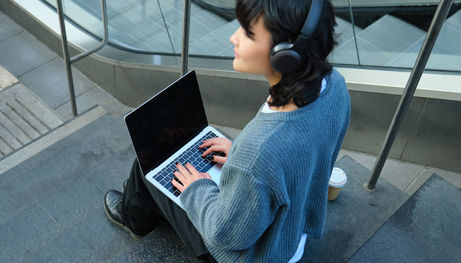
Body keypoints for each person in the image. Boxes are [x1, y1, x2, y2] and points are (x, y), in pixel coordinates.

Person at [103, 0, 350, 261]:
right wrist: (243, 162)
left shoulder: (260, 150)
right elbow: (300, 159)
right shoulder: (334, 87)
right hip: (293, 232)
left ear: (285, 55)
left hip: (257, 254)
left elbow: (226, 234)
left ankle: (134, 222)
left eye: (247, 32)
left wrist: (197, 189)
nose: (233, 38)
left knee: (152, 163)